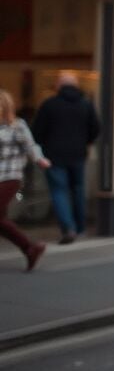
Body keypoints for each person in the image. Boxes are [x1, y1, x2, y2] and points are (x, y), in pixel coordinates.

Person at [31, 72, 100, 244]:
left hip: (54, 155)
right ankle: (80, 228)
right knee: (78, 189)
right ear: (76, 85)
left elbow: (37, 132)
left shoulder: (49, 105)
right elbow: (96, 128)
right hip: (78, 153)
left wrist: (43, 146)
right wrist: (86, 141)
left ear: (58, 86)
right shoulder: (86, 104)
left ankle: (68, 228)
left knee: (59, 190)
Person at [0, 90, 51, 271]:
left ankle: (30, 247)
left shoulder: (17, 126)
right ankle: (30, 249)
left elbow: (31, 146)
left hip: (10, 176)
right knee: (1, 221)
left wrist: (39, 159)